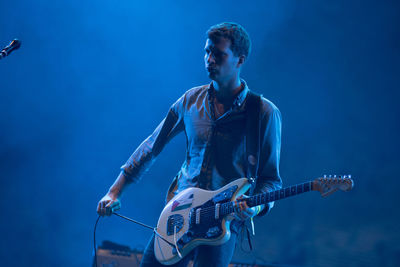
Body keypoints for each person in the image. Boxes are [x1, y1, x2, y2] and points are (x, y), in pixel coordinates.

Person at [97, 22, 282, 267]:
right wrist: (114, 191)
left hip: (222, 221)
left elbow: (271, 180)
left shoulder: (263, 113)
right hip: (178, 214)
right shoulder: (190, 100)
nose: (209, 59)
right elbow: (152, 146)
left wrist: (255, 208)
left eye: (218, 54)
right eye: (207, 52)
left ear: (240, 60)